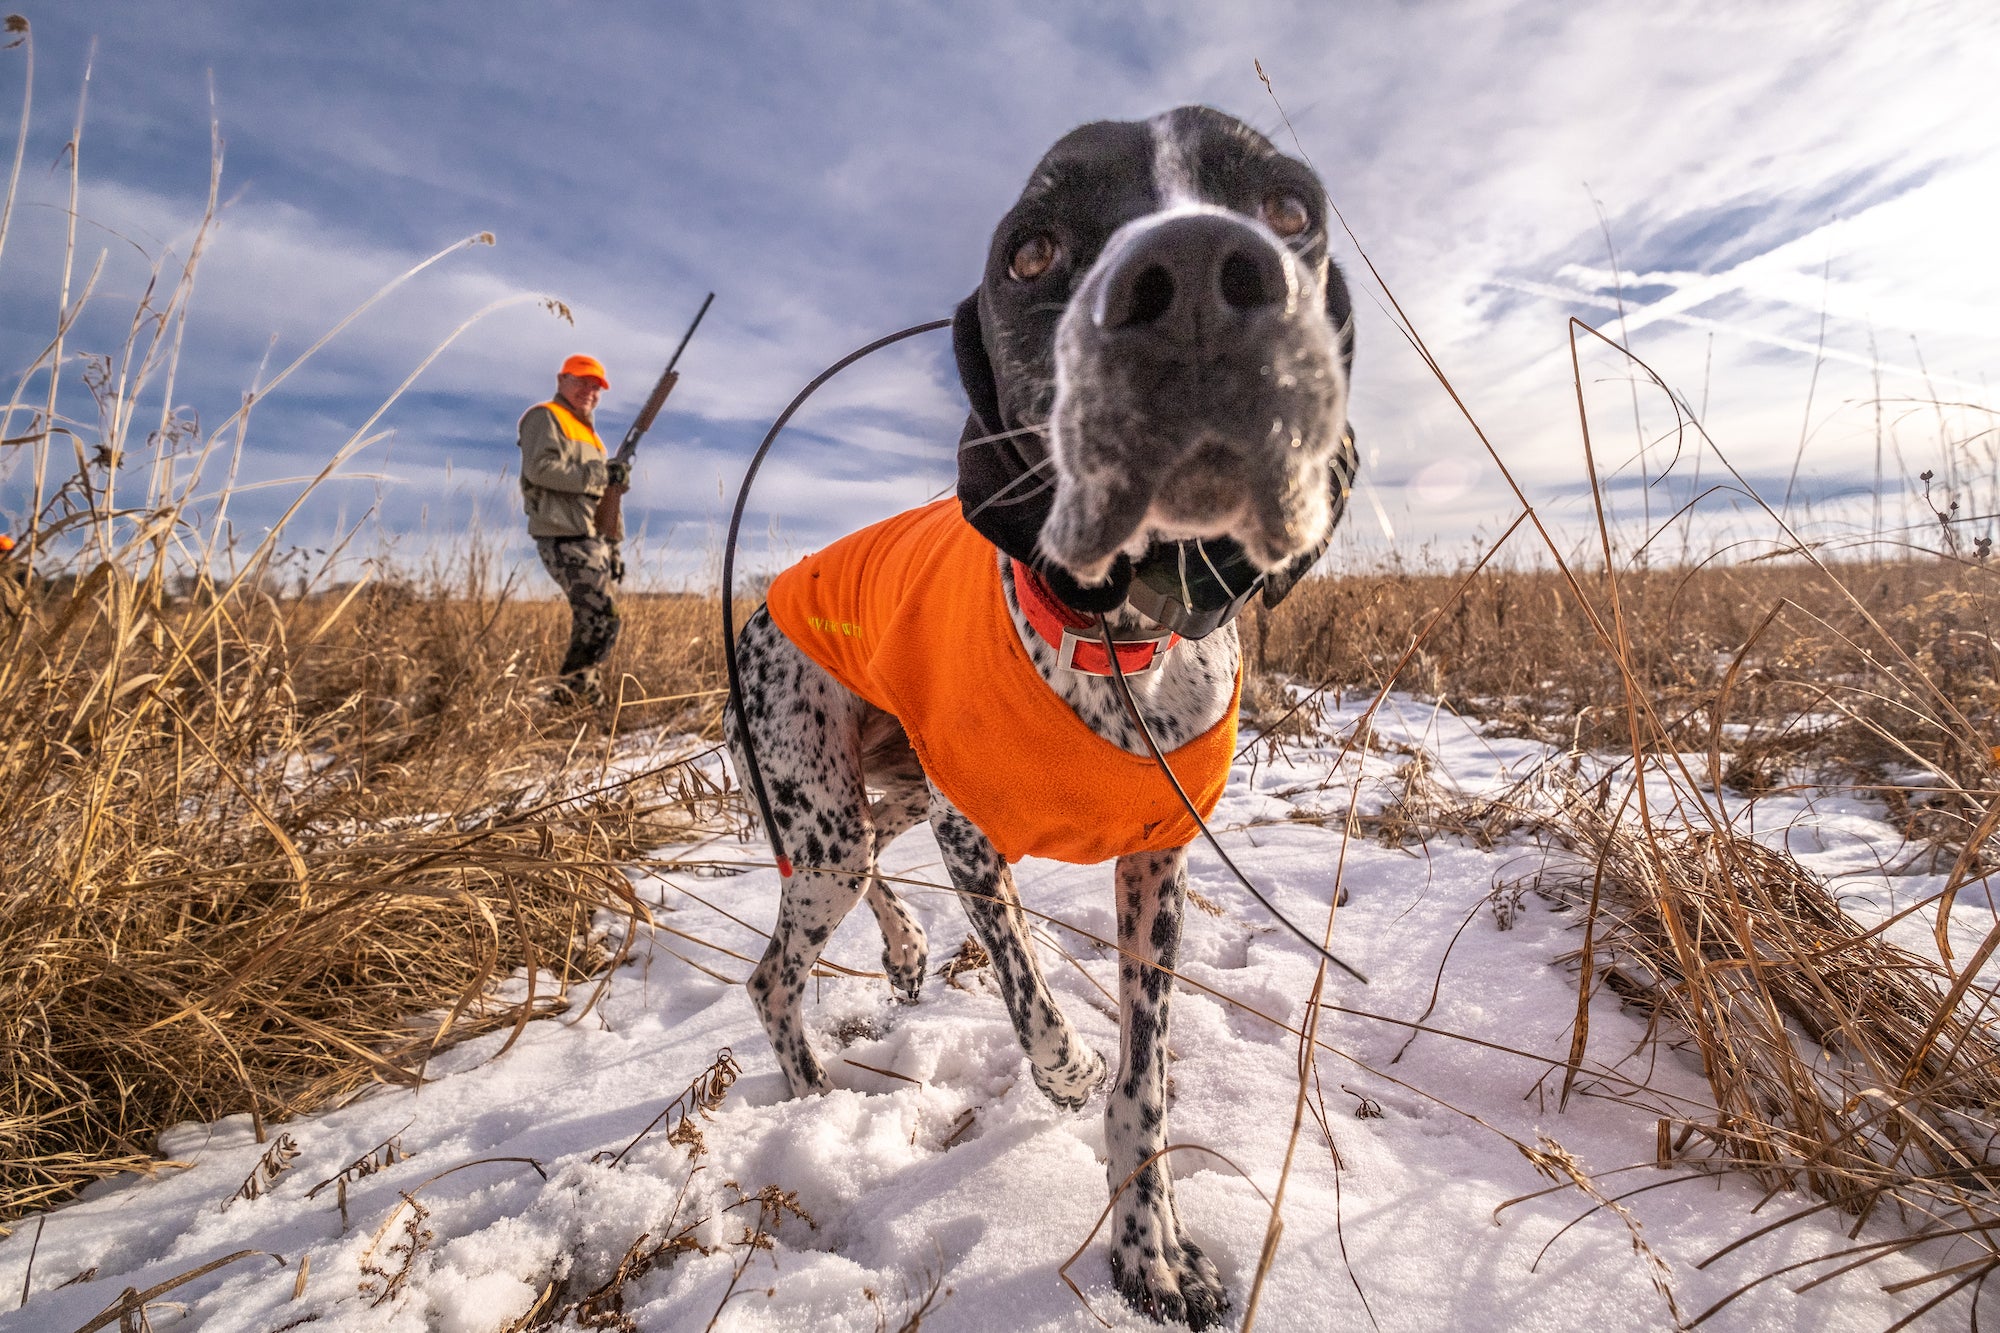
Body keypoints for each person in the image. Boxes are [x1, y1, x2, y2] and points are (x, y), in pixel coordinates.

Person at [519, 354, 627, 706]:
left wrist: (614, 547)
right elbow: (540, 469)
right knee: (601, 616)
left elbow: (606, 501)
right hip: (562, 534)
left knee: (597, 620)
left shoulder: (593, 439)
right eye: (581, 382)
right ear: (561, 379)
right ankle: (572, 698)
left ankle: (579, 697)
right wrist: (600, 475)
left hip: (591, 539)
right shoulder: (545, 417)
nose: (589, 391)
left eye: (596, 387)